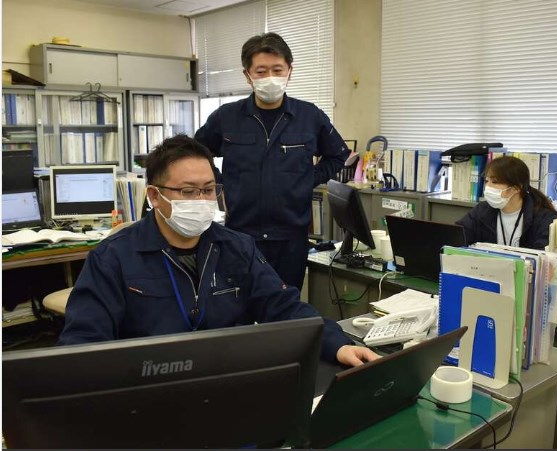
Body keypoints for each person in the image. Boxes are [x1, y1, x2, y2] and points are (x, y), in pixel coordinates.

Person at [58, 135, 377, 367]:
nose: (201, 200)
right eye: (187, 191)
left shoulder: (237, 248)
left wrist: (338, 345)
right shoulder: (113, 258)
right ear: (154, 196)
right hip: (148, 397)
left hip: (227, 386)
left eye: (209, 189)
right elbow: (82, 346)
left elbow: (286, 308)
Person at [195, 32, 350, 293]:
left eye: (277, 70)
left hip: (290, 239)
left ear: (290, 70)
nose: (270, 78)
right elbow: (196, 152)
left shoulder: (309, 116)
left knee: (283, 312)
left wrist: (308, 179)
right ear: (247, 75)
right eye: (261, 71)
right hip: (240, 236)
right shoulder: (227, 117)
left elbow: (338, 154)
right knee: (238, 311)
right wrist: (218, 184)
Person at [456, 156, 557, 249]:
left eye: (495, 182)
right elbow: (457, 238)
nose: (488, 187)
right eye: (486, 181)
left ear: (516, 188)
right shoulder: (482, 210)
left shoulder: (544, 219)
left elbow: (544, 257)